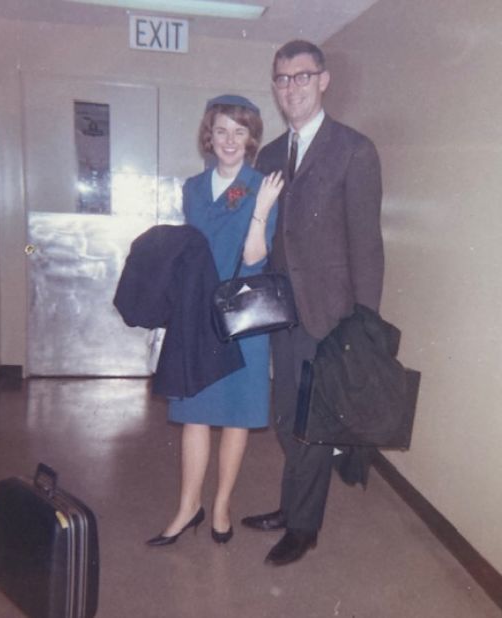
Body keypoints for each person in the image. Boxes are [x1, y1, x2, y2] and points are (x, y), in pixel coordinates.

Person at [241, 40, 385, 565]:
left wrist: (364, 325)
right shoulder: (272, 154)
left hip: (330, 315)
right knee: (285, 416)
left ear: (323, 80)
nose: (291, 88)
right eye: (282, 79)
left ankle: (303, 527)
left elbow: (367, 245)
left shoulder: (354, 150)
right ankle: (292, 505)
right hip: (281, 313)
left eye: (301, 77)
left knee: (310, 421)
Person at [146, 95, 283, 546]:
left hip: (241, 317)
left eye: (239, 132)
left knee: (237, 417)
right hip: (197, 315)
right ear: (210, 134)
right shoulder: (193, 187)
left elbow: (252, 258)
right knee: (195, 415)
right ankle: (188, 508)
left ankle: (221, 503)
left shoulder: (263, 185)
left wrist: (261, 211)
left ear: (251, 139)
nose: (229, 140)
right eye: (221, 130)